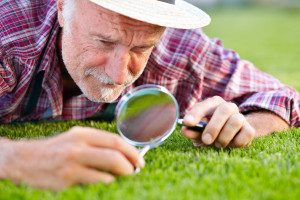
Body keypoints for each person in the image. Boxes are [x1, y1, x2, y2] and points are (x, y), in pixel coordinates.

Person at [0, 0, 299, 190]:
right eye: (104, 41)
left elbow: (284, 98)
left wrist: (243, 125)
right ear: (62, 7)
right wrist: (16, 158)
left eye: (141, 49)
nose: (118, 75)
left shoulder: (179, 47)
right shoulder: (8, 33)